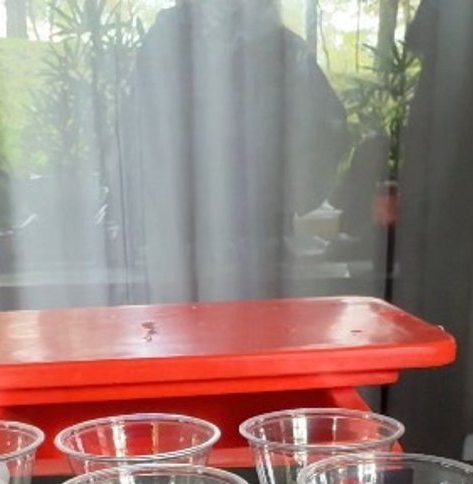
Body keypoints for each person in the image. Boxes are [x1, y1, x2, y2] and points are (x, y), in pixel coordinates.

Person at [122, 0, 347, 302]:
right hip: (189, 239)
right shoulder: (164, 43)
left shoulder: (284, 50)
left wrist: (289, 193)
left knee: (249, 322)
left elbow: (327, 129)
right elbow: (136, 134)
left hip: (257, 236)